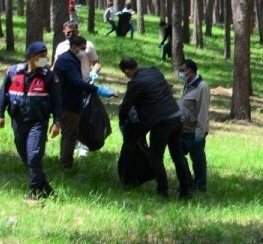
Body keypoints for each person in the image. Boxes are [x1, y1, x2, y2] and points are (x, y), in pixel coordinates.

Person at [118, 57, 193, 200]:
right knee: (178, 156)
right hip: (176, 117)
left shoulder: (135, 83)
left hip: (161, 122)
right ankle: (186, 190)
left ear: (127, 70)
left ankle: (162, 191)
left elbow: (126, 105)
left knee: (155, 158)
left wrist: (122, 120)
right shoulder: (154, 71)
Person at [0, 42, 63, 200]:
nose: (45, 59)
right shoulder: (13, 72)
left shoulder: (49, 76)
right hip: (18, 122)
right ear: (31, 57)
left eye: (46, 55)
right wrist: (0, 114)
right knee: (27, 158)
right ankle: (47, 190)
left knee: (34, 156)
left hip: (38, 122)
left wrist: (57, 123)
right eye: (41, 56)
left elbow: (57, 102)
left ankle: (34, 193)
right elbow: (3, 93)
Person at [53, 35, 114, 169]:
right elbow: (76, 81)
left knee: (69, 133)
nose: (85, 51)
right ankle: (66, 164)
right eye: (82, 48)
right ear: (74, 47)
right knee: (70, 134)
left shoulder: (73, 59)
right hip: (67, 103)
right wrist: (97, 89)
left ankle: (64, 160)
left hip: (71, 100)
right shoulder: (68, 61)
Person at [178, 59, 210, 192]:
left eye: (182, 71)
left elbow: (203, 112)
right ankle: (187, 181)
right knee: (179, 156)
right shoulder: (188, 84)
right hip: (182, 129)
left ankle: (200, 185)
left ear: (190, 72)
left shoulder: (202, 87)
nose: (180, 73)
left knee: (197, 160)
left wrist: (200, 133)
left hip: (194, 131)